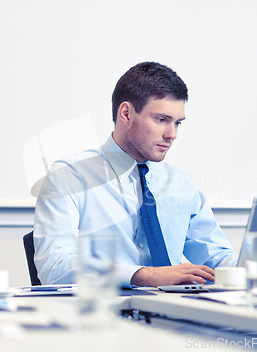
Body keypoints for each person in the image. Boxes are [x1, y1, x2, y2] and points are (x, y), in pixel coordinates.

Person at [33, 62, 237, 287]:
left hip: (176, 313)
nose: (172, 134)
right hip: (104, 313)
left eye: (177, 123)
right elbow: (54, 266)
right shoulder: (70, 177)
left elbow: (216, 256)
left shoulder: (179, 182)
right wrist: (144, 275)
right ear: (127, 113)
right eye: (162, 120)